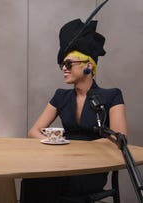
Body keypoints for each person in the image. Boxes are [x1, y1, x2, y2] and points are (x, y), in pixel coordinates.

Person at [20, 18, 128, 203]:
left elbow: (120, 138)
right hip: (62, 162)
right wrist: (56, 144)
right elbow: (33, 131)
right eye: (62, 64)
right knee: (31, 180)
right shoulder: (61, 96)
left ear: (88, 65)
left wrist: (80, 148)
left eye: (69, 64)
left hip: (91, 167)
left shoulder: (112, 96)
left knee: (49, 183)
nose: (64, 68)